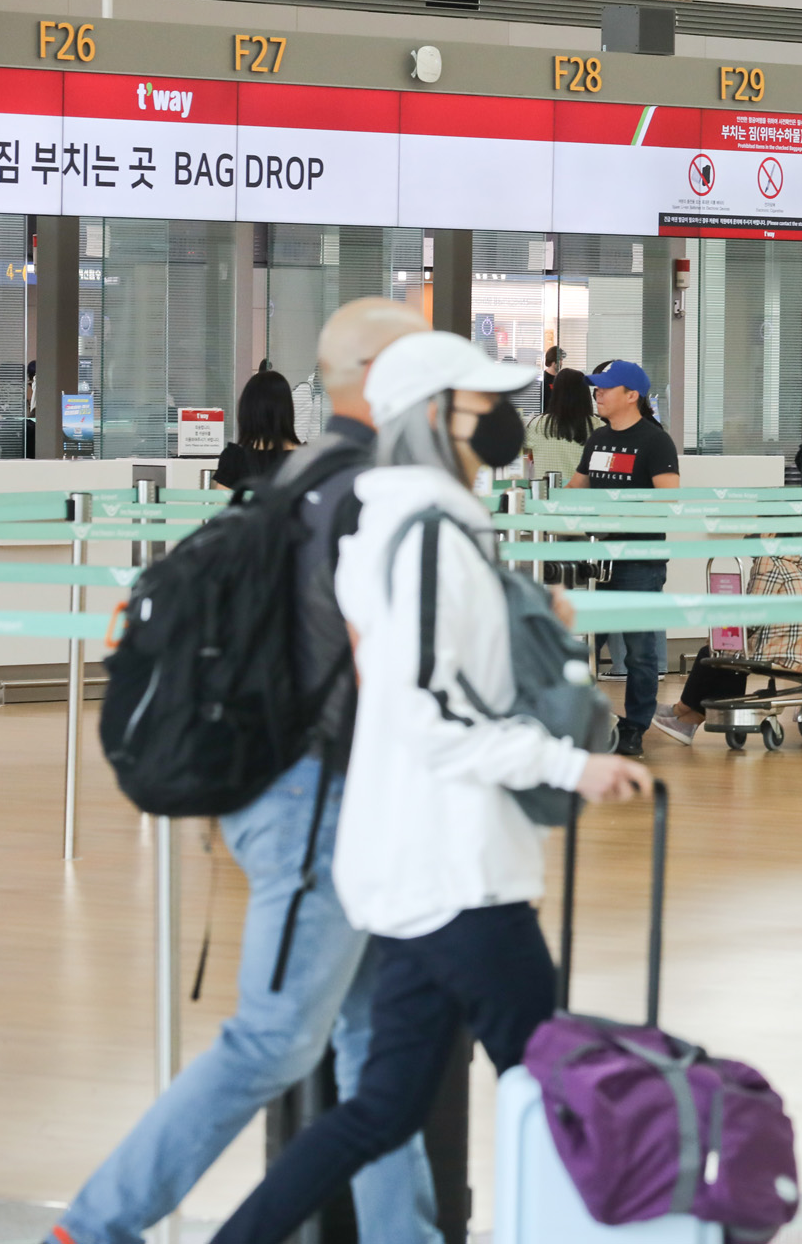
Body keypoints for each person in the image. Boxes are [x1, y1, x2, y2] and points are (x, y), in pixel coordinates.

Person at [206, 334, 652, 1244]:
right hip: (455, 871)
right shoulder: (424, 533)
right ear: (428, 419)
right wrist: (571, 765)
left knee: (381, 1110)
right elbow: (425, 709)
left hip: (423, 868)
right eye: (475, 404)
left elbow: (450, 677)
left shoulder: (429, 522)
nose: (498, 422)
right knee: (561, 1086)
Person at [46, 299, 440, 1244]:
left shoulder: (296, 477)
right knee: (274, 1038)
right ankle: (94, 1227)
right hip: (324, 802)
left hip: (303, 791)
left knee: (377, 1048)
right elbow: (384, 651)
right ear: (385, 376)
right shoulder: (371, 490)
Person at [568, 360, 680, 757]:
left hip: (638, 559)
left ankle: (635, 726)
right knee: (580, 644)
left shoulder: (654, 441)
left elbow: (669, 499)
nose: (597, 394)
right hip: (594, 558)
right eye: (595, 387)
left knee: (639, 649)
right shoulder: (597, 440)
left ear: (632, 395)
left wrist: (620, 516)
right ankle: (580, 720)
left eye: (605, 388)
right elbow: (575, 489)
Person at [651, 554, 802, 745]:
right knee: (731, 657)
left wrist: (719, 638)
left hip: (788, 650)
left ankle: (679, 711)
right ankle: (689, 723)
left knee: (712, 653)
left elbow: (752, 614)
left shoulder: (769, 562)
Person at [213, 369, 303, 491]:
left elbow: (222, 504)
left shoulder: (235, 458)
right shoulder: (307, 458)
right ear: (287, 410)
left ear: (247, 410)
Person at [523, 366, 595, 484]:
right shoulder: (597, 426)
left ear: (555, 393)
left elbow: (513, 450)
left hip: (547, 494)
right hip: (583, 496)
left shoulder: (538, 425)